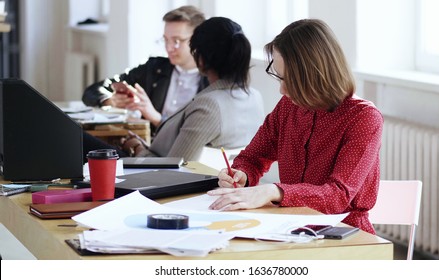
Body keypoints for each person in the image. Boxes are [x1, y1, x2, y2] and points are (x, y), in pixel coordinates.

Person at [208, 19, 383, 235]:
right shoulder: (289, 106)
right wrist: (241, 174)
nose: (282, 90)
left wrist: (274, 191)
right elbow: (253, 157)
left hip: (344, 235)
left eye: (289, 80)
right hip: (289, 227)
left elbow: (338, 196)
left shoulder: (363, 118)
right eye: (280, 77)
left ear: (315, 75)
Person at [85, 17, 265, 162]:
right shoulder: (254, 97)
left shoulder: (209, 105)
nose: (170, 47)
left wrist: (136, 147)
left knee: (80, 140)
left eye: (179, 41)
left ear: (200, 58)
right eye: (166, 40)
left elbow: (173, 169)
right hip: (164, 164)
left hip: (153, 178)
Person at [82, 6, 208, 129]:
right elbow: (93, 91)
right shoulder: (153, 68)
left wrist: (156, 118)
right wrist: (109, 101)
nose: (168, 48)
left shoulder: (213, 80)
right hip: (146, 145)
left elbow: (198, 133)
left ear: (198, 40)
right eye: (166, 40)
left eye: (176, 41)